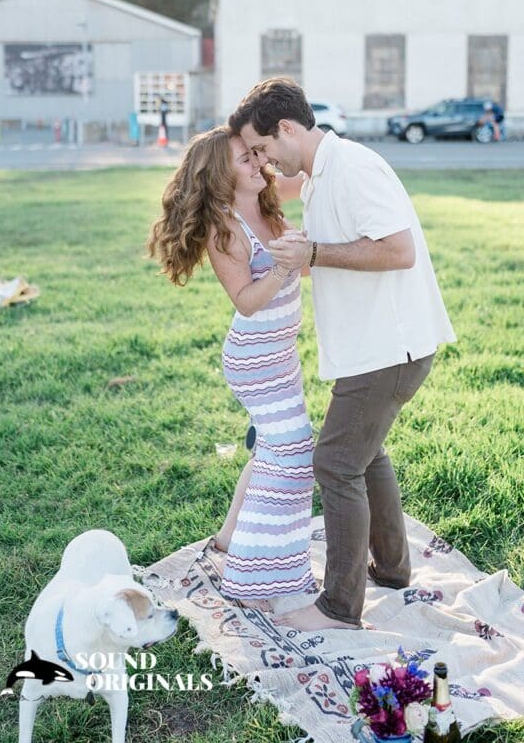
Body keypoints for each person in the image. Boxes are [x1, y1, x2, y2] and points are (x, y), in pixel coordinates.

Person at [229, 78, 457, 631]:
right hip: (368, 348)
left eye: (261, 149)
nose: (260, 163)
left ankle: (339, 607)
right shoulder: (316, 179)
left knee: (334, 462)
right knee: (365, 454)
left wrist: (314, 252)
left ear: (286, 129)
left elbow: (397, 250)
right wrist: (301, 258)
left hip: (390, 347)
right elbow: (337, 253)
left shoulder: (353, 167)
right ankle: (395, 569)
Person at [146, 126, 317, 612]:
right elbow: (245, 301)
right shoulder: (225, 230)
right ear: (220, 177)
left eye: (254, 152)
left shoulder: (265, 197)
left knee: (271, 452)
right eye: (244, 157)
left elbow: (310, 174)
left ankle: (227, 539)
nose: (256, 160)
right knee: (293, 454)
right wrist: (283, 268)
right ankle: (252, 578)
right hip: (255, 360)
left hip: (282, 354)